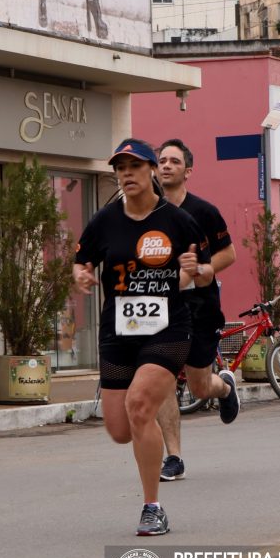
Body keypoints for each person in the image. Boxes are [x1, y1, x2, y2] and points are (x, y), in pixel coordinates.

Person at [73, 138, 213, 536]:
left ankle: (153, 507)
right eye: (120, 168)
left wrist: (195, 269)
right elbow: (81, 261)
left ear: (151, 170)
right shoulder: (104, 220)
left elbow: (206, 273)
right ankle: (151, 480)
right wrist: (81, 275)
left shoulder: (178, 220)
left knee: (138, 406)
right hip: (118, 332)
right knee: (120, 429)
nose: (126, 174)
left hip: (168, 328)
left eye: (134, 166)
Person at [156, 139, 239, 482]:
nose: (166, 165)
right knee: (162, 378)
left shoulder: (204, 211)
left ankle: (225, 388)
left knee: (200, 386)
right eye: (162, 160)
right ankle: (174, 457)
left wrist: (205, 269)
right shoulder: (148, 212)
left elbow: (229, 254)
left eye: (174, 161)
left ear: (187, 171)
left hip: (201, 306)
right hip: (163, 307)